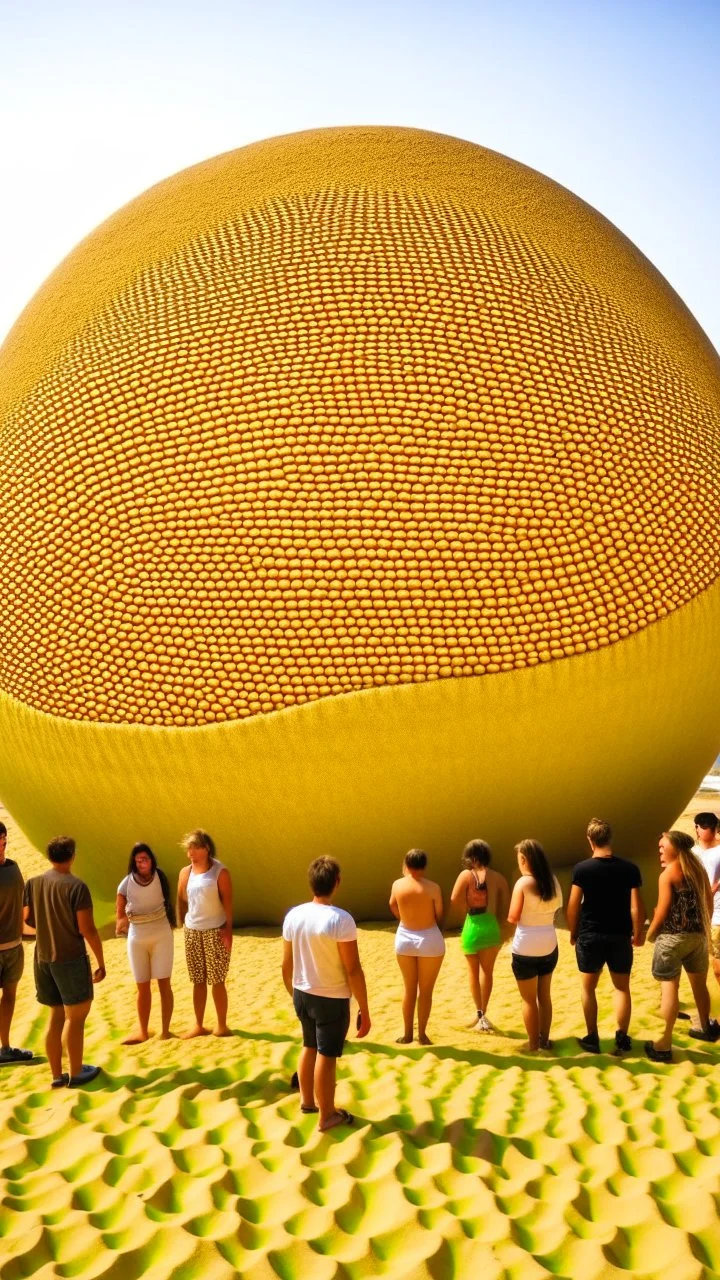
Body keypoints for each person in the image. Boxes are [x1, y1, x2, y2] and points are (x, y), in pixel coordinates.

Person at [282, 857, 370, 1132]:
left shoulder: (294, 915)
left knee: (309, 1045)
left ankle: (307, 1101)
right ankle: (327, 1114)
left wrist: (293, 990)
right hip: (330, 996)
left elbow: (286, 963)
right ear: (336, 883)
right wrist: (364, 1009)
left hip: (302, 991)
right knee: (326, 1054)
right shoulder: (340, 919)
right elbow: (353, 968)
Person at [22, 836, 105, 1088]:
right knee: (75, 1018)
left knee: (55, 1016)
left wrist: (49, 927)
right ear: (72, 856)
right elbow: (87, 928)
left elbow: (28, 921)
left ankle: (57, 1075)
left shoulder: (33, 883)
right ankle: (76, 1072)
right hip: (69, 958)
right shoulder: (76, 887)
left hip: (43, 958)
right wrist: (101, 960)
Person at [566, 818, 645, 1055]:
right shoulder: (630, 869)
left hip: (591, 933)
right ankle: (621, 1037)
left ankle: (592, 1037)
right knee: (621, 988)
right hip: (620, 933)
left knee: (588, 988)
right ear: (610, 839)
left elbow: (573, 906)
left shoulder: (582, 869)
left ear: (591, 841)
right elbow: (637, 907)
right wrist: (638, 931)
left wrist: (573, 931)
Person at [645, 829, 718, 1062]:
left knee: (669, 989)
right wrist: (702, 928)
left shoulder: (668, 875)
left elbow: (663, 910)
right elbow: (708, 902)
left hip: (672, 939)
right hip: (697, 938)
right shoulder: (698, 870)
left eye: (662, 846)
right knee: (699, 986)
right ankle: (705, 1028)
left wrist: (650, 934)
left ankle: (663, 1043)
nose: (659, 851)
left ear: (673, 848)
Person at [116, 843, 176, 1043]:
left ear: (152, 860)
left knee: (164, 983)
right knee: (142, 986)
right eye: (138, 859)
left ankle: (165, 1030)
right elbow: (121, 902)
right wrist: (121, 920)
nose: (142, 863)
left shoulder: (160, 877)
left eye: (145, 859)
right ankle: (143, 1030)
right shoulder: (126, 882)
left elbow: (169, 899)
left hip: (161, 934)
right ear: (134, 862)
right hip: (137, 936)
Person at [507, 839, 563, 1052]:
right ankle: (545, 1040)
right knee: (544, 996)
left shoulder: (523, 883)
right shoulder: (553, 881)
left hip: (527, 945)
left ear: (524, 859)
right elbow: (557, 910)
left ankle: (532, 1045)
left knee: (528, 1000)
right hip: (549, 942)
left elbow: (513, 917)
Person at [450, 839, 510, 1031]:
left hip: (473, 924)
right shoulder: (498, 877)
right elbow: (506, 903)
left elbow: (454, 899)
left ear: (471, 857)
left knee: (473, 973)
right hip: (490, 925)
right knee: (488, 973)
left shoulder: (466, 875)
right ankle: (484, 1013)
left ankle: (478, 1014)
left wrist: (466, 909)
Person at [177, 830, 233, 1038]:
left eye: (196, 847)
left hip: (215, 930)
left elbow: (228, 902)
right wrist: (180, 924)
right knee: (197, 980)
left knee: (217, 979)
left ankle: (221, 1025)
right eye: (189, 848)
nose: (191, 852)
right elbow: (182, 899)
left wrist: (228, 931)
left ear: (206, 848)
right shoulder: (185, 872)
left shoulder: (220, 871)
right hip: (192, 931)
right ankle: (198, 1025)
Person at [389, 849, 445, 1045]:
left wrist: (404, 918)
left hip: (405, 936)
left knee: (409, 989)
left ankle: (407, 1034)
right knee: (426, 991)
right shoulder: (433, 888)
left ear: (406, 864)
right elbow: (439, 913)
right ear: (424, 866)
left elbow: (392, 904)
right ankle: (422, 1034)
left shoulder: (397, 885)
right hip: (429, 938)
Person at [0, 822, 32, 1064]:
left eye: (4, 843)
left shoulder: (14, 869)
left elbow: (23, 907)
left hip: (14, 946)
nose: (1, 849)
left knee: (10, 997)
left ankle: (5, 1047)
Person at [693, 812, 720, 998]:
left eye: (706, 826)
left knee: (717, 963)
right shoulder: (691, 853)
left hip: (717, 914)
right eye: (700, 826)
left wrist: (715, 887)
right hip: (699, 916)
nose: (701, 830)